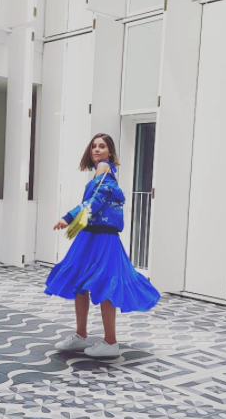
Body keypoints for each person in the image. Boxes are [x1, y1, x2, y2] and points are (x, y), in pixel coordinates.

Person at [44, 133, 160, 358]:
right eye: (94, 146)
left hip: (100, 238)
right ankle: (84, 336)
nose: (97, 150)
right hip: (93, 236)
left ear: (110, 152)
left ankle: (109, 341)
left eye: (102, 146)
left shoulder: (103, 168)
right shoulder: (104, 171)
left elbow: (94, 202)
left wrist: (68, 217)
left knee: (103, 284)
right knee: (84, 283)